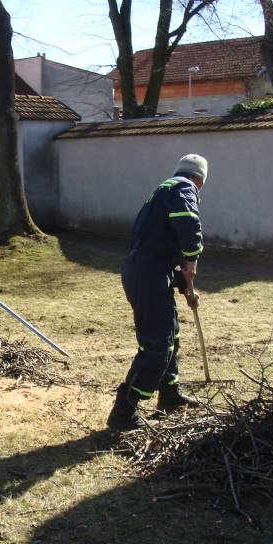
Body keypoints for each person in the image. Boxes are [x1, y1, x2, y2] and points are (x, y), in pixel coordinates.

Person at [107, 154, 208, 431]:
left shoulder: (164, 191)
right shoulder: (183, 188)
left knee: (170, 335)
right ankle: (124, 410)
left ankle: (169, 394)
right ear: (199, 179)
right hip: (148, 273)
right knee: (157, 345)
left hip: (148, 270)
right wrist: (192, 258)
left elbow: (162, 242)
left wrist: (185, 286)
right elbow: (187, 222)